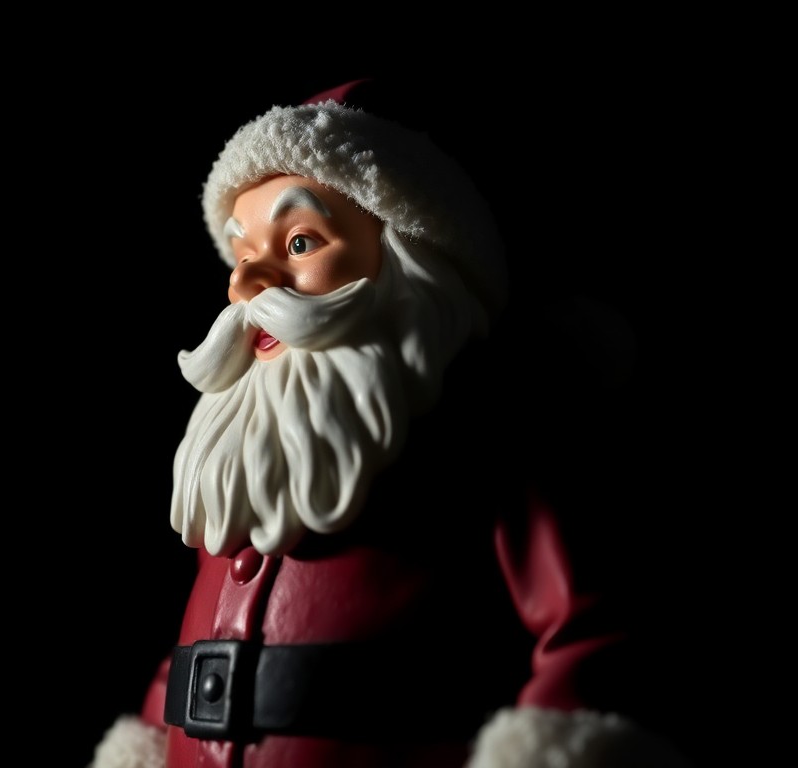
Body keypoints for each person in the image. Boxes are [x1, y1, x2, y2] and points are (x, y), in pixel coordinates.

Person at [87, 79, 693, 768]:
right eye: (242, 249)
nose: (247, 283)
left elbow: (591, 632)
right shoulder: (248, 455)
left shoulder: (491, 436)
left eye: (300, 240)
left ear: (408, 262)